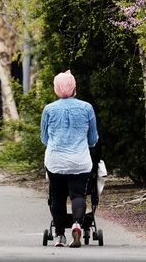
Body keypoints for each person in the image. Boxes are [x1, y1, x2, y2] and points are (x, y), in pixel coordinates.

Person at [41, 70, 99, 248]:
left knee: (57, 197)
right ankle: (77, 224)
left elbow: (44, 138)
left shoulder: (49, 109)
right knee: (78, 194)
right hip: (80, 160)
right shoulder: (86, 108)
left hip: (56, 160)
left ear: (56, 88)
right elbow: (92, 139)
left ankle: (59, 236)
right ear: (74, 87)